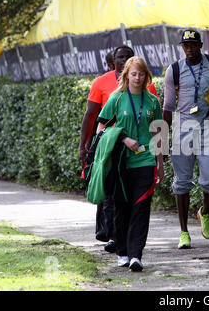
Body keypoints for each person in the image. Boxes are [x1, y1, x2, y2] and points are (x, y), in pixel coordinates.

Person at [163, 29, 209, 249]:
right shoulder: (174, 70)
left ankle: (204, 212)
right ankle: (184, 232)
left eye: (194, 45)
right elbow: (167, 106)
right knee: (182, 182)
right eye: (186, 46)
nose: (190, 49)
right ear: (182, 47)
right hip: (182, 128)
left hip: (208, 128)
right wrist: (163, 140)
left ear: (201, 45)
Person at [96, 56, 164, 271]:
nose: (137, 77)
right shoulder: (116, 99)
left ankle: (136, 255)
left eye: (141, 74)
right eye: (133, 73)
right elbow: (100, 129)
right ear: (126, 75)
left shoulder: (153, 101)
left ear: (146, 76)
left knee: (141, 208)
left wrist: (160, 163)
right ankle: (123, 252)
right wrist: (124, 138)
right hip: (120, 163)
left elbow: (158, 134)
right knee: (122, 208)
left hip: (145, 161)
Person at [79, 45, 135, 253]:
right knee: (111, 191)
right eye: (121, 57)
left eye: (129, 56)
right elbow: (90, 114)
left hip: (135, 147)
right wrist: (83, 144)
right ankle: (112, 235)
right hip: (108, 146)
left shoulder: (144, 82)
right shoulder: (101, 83)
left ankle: (127, 233)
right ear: (114, 61)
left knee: (130, 191)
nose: (125, 60)